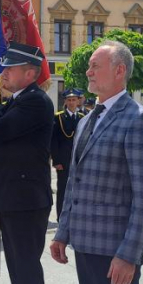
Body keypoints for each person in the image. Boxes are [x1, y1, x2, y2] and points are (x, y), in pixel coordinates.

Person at [51, 41, 143, 284]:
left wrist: (129, 255)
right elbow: (74, 182)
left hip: (116, 250)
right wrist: (63, 233)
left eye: (95, 65)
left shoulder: (140, 120)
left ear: (120, 70)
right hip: (84, 244)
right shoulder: (88, 119)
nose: (88, 71)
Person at [0, 42, 54, 284]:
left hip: (25, 201)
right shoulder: (19, 99)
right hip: (13, 198)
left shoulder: (35, 101)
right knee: (17, 267)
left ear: (29, 73)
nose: (5, 73)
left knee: (26, 268)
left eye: (10, 68)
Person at [50, 88, 84, 222]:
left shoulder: (82, 117)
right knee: (63, 190)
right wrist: (56, 160)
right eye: (69, 100)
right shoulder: (58, 117)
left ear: (78, 101)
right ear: (65, 101)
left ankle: (76, 216)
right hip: (63, 160)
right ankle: (61, 217)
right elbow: (53, 140)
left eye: (74, 100)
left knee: (78, 189)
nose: (71, 102)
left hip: (78, 159)